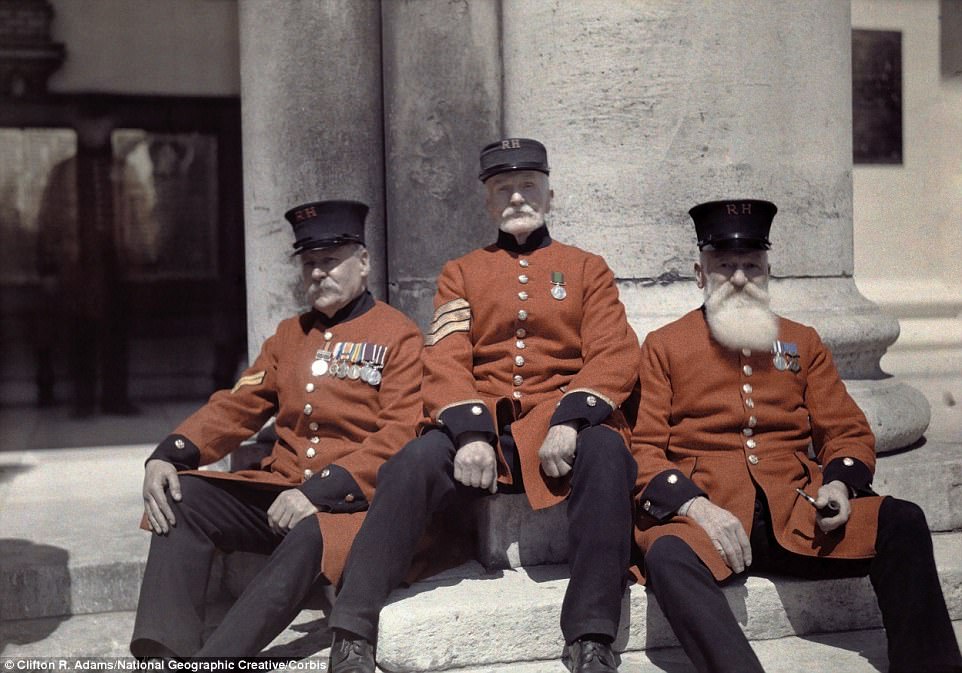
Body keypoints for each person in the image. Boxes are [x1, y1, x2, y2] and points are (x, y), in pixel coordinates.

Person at [325, 138, 641, 673]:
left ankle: (591, 637)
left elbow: (615, 353)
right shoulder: (462, 272)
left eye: (527, 186)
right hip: (488, 431)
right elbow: (446, 357)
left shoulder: (588, 269)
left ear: (549, 193)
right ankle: (353, 631)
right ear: (488, 203)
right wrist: (471, 432)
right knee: (411, 462)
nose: (517, 198)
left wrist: (569, 419)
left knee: (608, 452)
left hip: (561, 428)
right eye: (503, 189)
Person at [631, 199, 962, 673]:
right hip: (711, 517)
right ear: (700, 274)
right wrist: (696, 507)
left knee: (902, 521)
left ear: (768, 272)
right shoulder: (665, 345)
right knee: (665, 554)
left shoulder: (802, 341)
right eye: (725, 267)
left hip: (798, 513)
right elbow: (643, 449)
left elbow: (846, 430)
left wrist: (839, 485)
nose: (740, 279)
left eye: (752, 266)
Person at [129, 200, 424, 659]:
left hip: (352, 508)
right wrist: (170, 453)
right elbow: (238, 405)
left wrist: (319, 493)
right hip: (281, 493)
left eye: (330, 261)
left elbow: (400, 434)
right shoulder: (289, 335)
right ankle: (163, 655)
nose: (318, 274)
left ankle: (215, 662)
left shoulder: (397, 334)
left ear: (363, 262)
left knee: (312, 532)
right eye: (309, 263)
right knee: (183, 499)